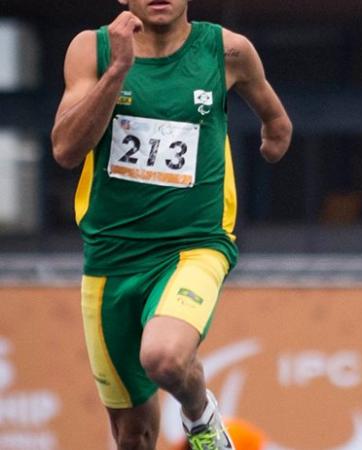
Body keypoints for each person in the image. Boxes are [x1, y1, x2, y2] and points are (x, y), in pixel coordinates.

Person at [50, 0, 292, 449]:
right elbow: (65, 149)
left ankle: (201, 417)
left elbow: (277, 121)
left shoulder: (227, 51)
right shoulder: (92, 50)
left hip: (193, 247)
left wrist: (273, 141)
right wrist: (118, 70)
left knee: (163, 358)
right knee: (132, 435)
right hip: (111, 260)